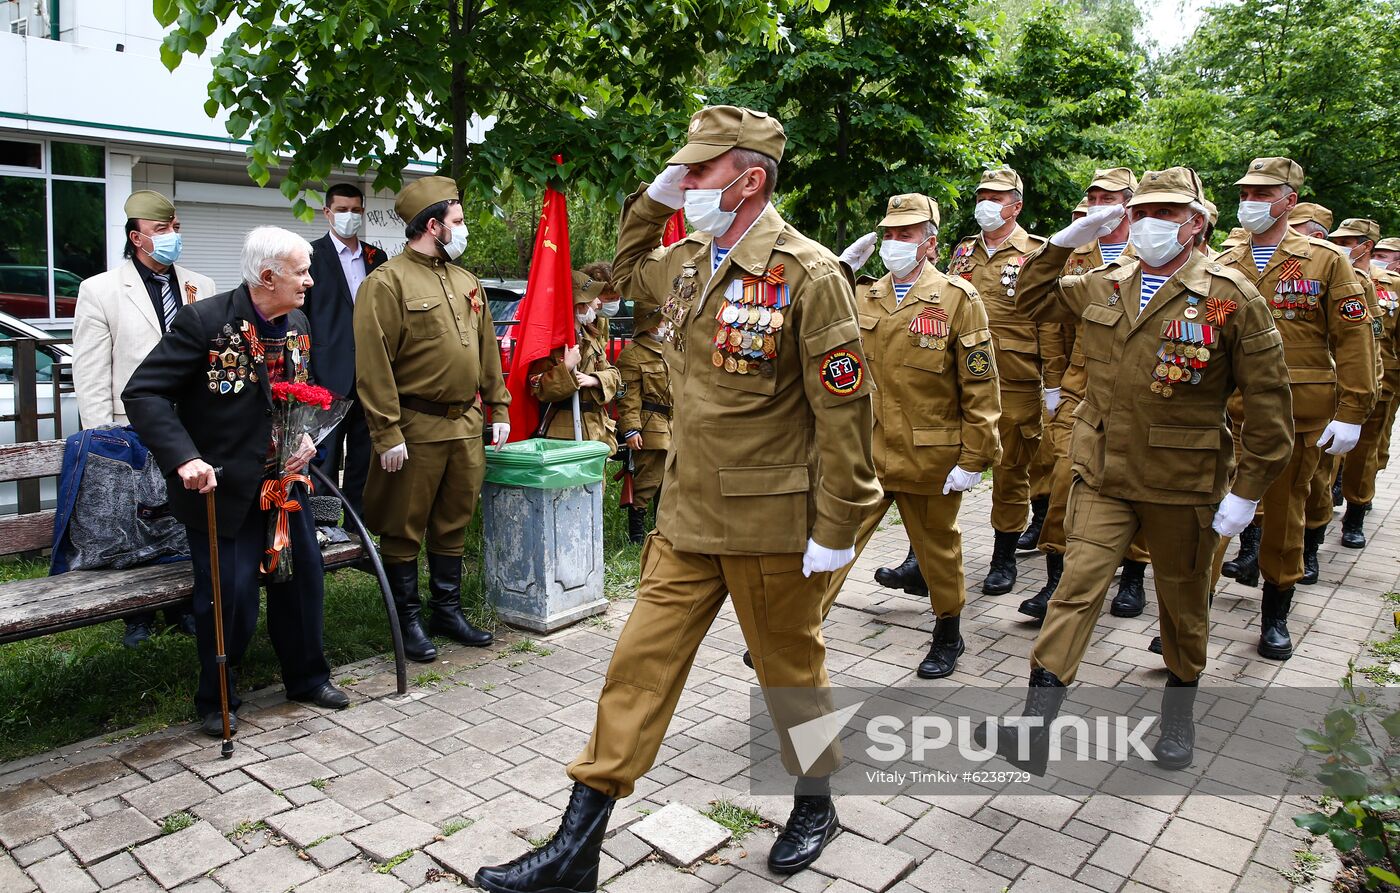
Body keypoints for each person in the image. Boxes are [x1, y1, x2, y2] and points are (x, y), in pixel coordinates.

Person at [476, 105, 880, 893]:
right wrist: (656, 199)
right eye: (684, 171)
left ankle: (817, 799)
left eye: (699, 171)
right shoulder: (689, 262)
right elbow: (622, 272)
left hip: (771, 524)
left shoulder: (811, 274)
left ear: (749, 180)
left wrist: (839, 526)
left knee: (790, 670)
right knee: (636, 669)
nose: (687, 182)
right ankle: (576, 847)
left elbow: (847, 413)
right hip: (687, 517)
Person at [981, 167, 1293, 775]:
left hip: (1183, 480)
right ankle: (1035, 724)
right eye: (1142, 211)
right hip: (1103, 471)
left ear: (1196, 224)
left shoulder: (1232, 296)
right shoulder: (1104, 283)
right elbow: (1028, 299)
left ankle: (1178, 716)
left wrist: (1248, 493)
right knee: (1075, 588)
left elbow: (1269, 406)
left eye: (1166, 214)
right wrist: (1064, 243)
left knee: (1181, 600)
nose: (1148, 223)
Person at [123, 226, 351, 736]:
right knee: (232, 596)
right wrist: (185, 458)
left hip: (283, 487)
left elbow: (296, 394)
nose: (311, 281)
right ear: (268, 276)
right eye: (302, 272)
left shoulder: (296, 322)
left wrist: (305, 439)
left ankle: (308, 678)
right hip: (222, 492)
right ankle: (217, 696)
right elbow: (144, 394)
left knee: (303, 582)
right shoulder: (205, 321)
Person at [830, 193, 1000, 678]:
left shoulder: (957, 299)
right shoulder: (863, 294)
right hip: (867, 449)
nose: (894, 242)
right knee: (835, 540)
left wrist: (974, 457)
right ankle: (796, 634)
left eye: (906, 234)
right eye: (889, 233)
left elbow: (981, 385)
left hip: (930, 455)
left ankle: (948, 633)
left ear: (930, 243)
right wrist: (840, 269)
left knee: (938, 551)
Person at [1215, 157, 1375, 660]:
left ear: (1289, 199)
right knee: (1211, 515)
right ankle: (1189, 613)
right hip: (1230, 411)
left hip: (1296, 413)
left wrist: (1353, 410)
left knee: (1284, 517)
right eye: (1244, 194)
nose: (1249, 204)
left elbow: (1354, 341)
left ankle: (1275, 614)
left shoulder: (1326, 261)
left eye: (1262, 195)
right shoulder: (1225, 260)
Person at [354, 176, 510, 664]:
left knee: (453, 521)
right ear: (433, 225)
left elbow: (488, 351)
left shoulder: (467, 282)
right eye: (458, 222)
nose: (464, 231)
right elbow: (372, 364)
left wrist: (498, 406)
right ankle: (408, 620)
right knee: (404, 526)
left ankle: (447, 610)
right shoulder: (387, 282)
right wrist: (386, 431)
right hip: (414, 426)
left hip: (464, 424)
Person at [72, 189, 214, 648]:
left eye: (175, 228)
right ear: (137, 237)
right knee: (133, 520)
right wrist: (102, 435)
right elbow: (92, 369)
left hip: (188, 425)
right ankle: (138, 614)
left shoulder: (201, 285)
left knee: (181, 516)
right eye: (160, 230)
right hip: (127, 427)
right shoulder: (101, 290)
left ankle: (185, 605)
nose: (172, 236)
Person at [1018, 168, 1151, 622]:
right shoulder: (1077, 252)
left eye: (1109, 196)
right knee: (1060, 483)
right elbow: (1049, 321)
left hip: (1143, 390)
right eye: (1092, 195)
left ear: (1129, 205)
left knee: (1135, 485)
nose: (1098, 203)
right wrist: (1054, 382)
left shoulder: (1153, 253)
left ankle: (1132, 577)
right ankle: (1054, 580)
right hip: (1081, 383)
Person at [941, 167, 1058, 597]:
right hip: (960, 376)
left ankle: (1003, 555)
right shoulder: (963, 250)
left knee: (1010, 472)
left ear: (1016, 205)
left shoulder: (1035, 253)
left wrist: (1054, 384)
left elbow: (1048, 321)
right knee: (946, 459)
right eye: (982, 194)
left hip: (1016, 378)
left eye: (997, 196)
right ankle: (923, 553)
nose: (986, 203)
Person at [304, 183, 387, 523]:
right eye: (341, 210)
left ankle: (357, 528)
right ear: (327, 212)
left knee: (363, 457)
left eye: (355, 210)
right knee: (324, 459)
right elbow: (302, 318)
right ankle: (323, 529)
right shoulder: (310, 257)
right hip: (326, 376)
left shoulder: (376, 258)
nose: (348, 216)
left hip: (368, 375)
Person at [1328, 219, 1393, 549]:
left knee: (1366, 452)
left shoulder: (1387, 286)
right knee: (1328, 456)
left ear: (1365, 245)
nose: (1338, 244)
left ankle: (1355, 512)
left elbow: (1377, 339)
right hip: (1332, 382)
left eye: (1347, 240)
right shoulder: (1330, 275)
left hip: (1380, 382)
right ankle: (1321, 511)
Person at [529, 271, 622, 452]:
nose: (597, 304)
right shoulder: (553, 342)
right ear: (578, 304)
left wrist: (595, 379)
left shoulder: (590, 336)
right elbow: (539, 387)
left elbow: (614, 375)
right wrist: (567, 367)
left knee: (595, 481)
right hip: (565, 432)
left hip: (595, 428)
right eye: (592, 299)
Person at [614, 304, 672, 544]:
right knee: (648, 481)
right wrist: (631, 429)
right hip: (650, 426)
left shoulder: (670, 349)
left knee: (669, 482)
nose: (665, 325)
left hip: (672, 424)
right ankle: (636, 535)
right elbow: (628, 398)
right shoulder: (633, 354)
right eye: (661, 321)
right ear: (649, 324)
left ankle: (662, 528)